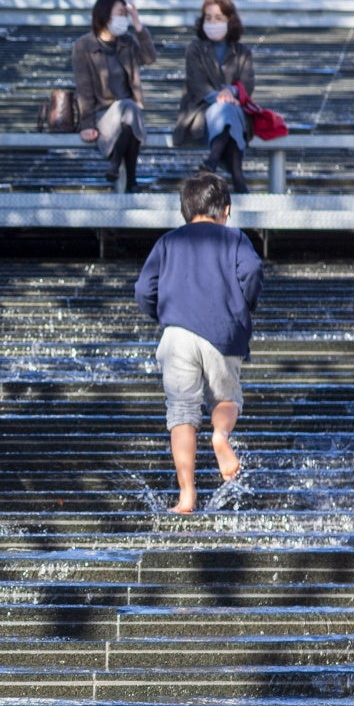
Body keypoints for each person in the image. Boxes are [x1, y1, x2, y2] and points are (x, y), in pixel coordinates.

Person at [134, 169, 263, 516]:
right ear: (226, 210)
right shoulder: (235, 238)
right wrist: (243, 305)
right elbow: (251, 272)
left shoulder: (168, 242)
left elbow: (144, 290)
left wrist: (164, 312)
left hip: (176, 335)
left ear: (184, 211)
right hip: (222, 331)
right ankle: (220, 436)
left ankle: (187, 496)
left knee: (181, 414)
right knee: (225, 398)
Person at [73, 0, 156, 192]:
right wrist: (86, 124)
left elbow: (149, 57)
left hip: (128, 112)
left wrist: (138, 26)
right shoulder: (83, 46)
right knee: (129, 109)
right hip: (102, 115)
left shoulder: (127, 41)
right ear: (105, 15)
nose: (124, 18)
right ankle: (132, 181)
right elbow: (83, 88)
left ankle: (115, 164)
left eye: (126, 14)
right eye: (121, 13)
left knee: (129, 111)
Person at [172, 0, 255, 189]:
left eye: (218, 18)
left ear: (229, 21)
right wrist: (220, 97)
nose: (212, 22)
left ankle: (212, 162)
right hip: (201, 111)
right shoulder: (195, 49)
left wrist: (231, 92)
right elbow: (197, 83)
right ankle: (236, 175)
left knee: (228, 111)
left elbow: (248, 83)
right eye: (208, 18)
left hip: (235, 111)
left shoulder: (243, 52)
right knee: (225, 110)